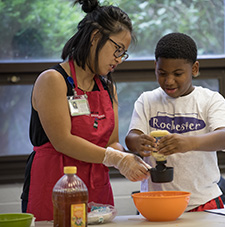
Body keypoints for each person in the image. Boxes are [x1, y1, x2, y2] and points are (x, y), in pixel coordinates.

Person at [21, 0, 150, 221]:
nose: (119, 59)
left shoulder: (108, 87)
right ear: (95, 38)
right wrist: (115, 158)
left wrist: (130, 160)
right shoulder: (53, 80)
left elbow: (111, 143)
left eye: (124, 53)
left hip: (97, 191)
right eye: (117, 49)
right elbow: (63, 140)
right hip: (54, 187)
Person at [125, 32, 225, 212]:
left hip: (203, 201)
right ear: (155, 67)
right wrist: (138, 142)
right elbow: (131, 138)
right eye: (162, 73)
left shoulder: (211, 100)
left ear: (194, 69)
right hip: (155, 200)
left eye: (178, 74)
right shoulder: (146, 100)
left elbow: (224, 137)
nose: (169, 81)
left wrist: (189, 143)